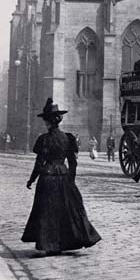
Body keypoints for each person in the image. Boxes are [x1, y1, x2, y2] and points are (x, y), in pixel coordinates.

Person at [21, 98, 101, 254]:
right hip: (64, 177)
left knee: (47, 211)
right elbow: (73, 162)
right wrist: (70, 179)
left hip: (47, 178)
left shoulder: (44, 139)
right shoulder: (68, 138)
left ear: (48, 122)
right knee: (67, 210)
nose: (45, 123)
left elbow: (39, 163)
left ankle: (49, 244)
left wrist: (31, 180)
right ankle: (67, 242)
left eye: (45, 121)